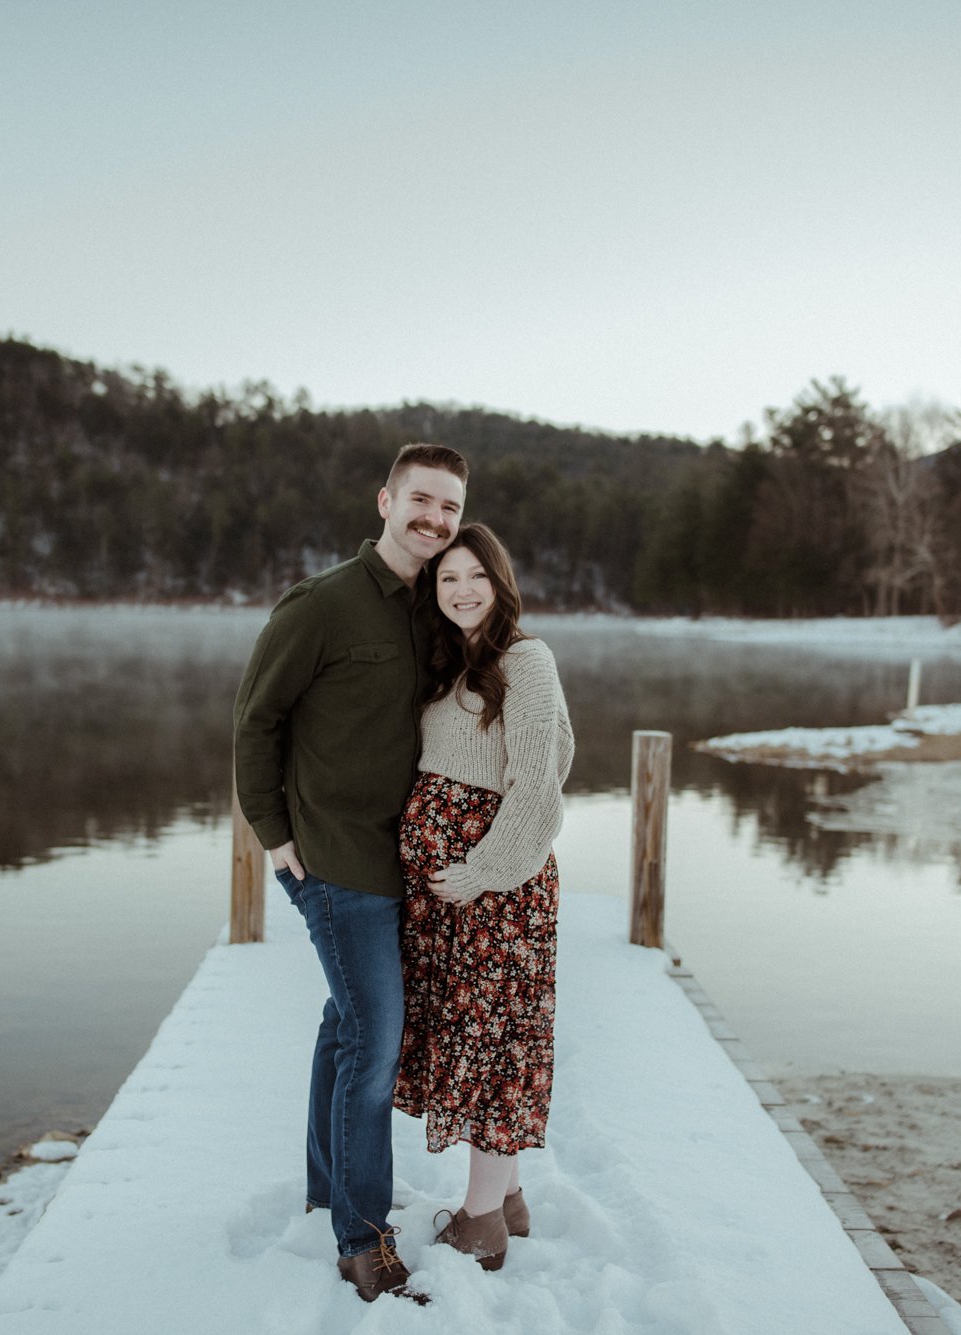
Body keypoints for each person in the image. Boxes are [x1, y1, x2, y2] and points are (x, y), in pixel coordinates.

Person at [231, 442, 470, 1304]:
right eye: (421, 501)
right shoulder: (320, 604)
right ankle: (362, 1239)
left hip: (399, 860)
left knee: (346, 1024)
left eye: (449, 507)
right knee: (376, 1042)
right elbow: (257, 721)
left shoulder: (435, 609)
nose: (435, 520)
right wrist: (273, 832)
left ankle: (330, 1187)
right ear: (384, 501)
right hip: (332, 858)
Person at [393, 522, 573, 1273]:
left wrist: (484, 869)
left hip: (497, 898)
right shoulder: (451, 665)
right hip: (450, 903)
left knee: (495, 1049)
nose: (462, 589)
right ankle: (509, 1199)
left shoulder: (526, 661)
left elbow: (539, 785)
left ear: (500, 583)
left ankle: (478, 1224)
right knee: (475, 1040)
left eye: (476, 576)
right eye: (447, 578)